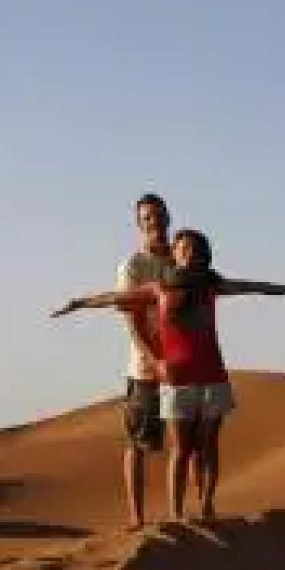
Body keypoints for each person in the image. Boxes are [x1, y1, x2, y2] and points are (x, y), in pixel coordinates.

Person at [52, 227, 285, 523]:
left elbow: (250, 285)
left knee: (209, 445)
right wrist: (79, 304)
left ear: (204, 255)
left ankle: (206, 505)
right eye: (182, 248)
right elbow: (115, 297)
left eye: (194, 249)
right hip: (176, 378)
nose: (188, 254)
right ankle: (176, 513)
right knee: (182, 449)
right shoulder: (158, 288)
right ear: (174, 255)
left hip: (212, 374)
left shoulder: (211, 285)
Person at [112, 193, 175, 529]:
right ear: (139, 224)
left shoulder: (180, 261)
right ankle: (137, 519)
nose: (155, 222)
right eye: (148, 217)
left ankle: (179, 513)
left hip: (181, 363)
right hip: (146, 367)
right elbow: (131, 319)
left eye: (160, 215)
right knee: (137, 440)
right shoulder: (133, 266)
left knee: (185, 440)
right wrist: (153, 359)